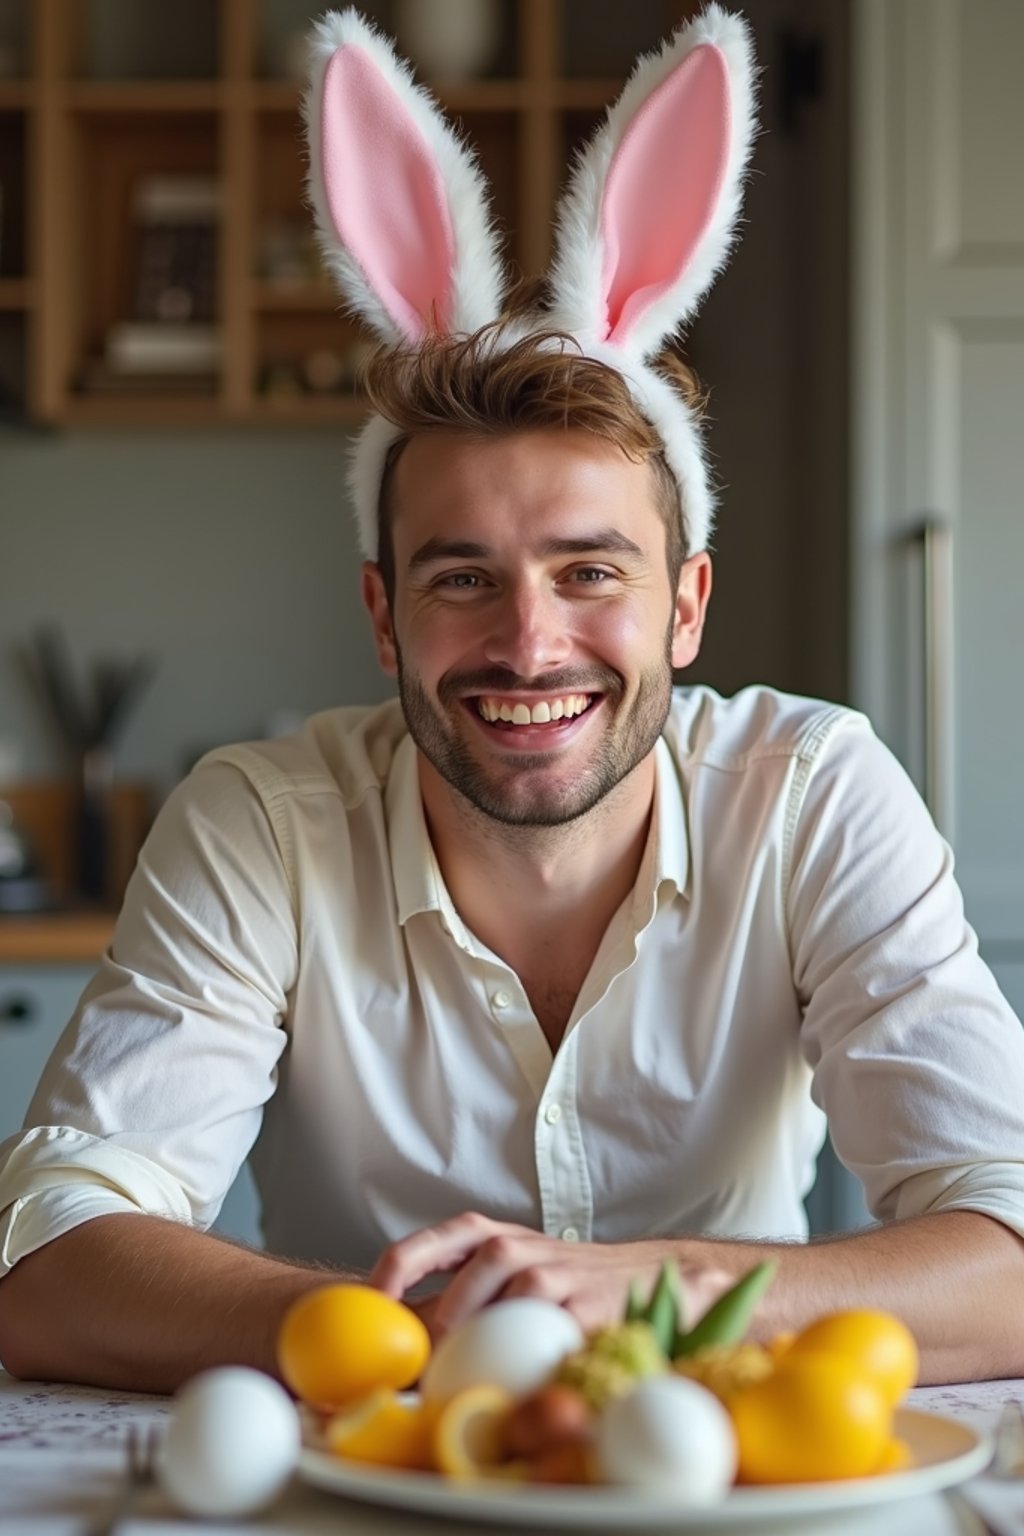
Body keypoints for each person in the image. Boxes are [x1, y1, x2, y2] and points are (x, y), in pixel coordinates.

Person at [1, 6, 1023, 1396]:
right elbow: (50, 1258)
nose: (530, 643)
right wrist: (442, 1334)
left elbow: (1010, 1251)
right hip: (381, 1470)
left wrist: (645, 1300)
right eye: (462, 577)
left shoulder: (816, 793)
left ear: (687, 605)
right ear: (383, 615)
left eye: (589, 570)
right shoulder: (262, 824)